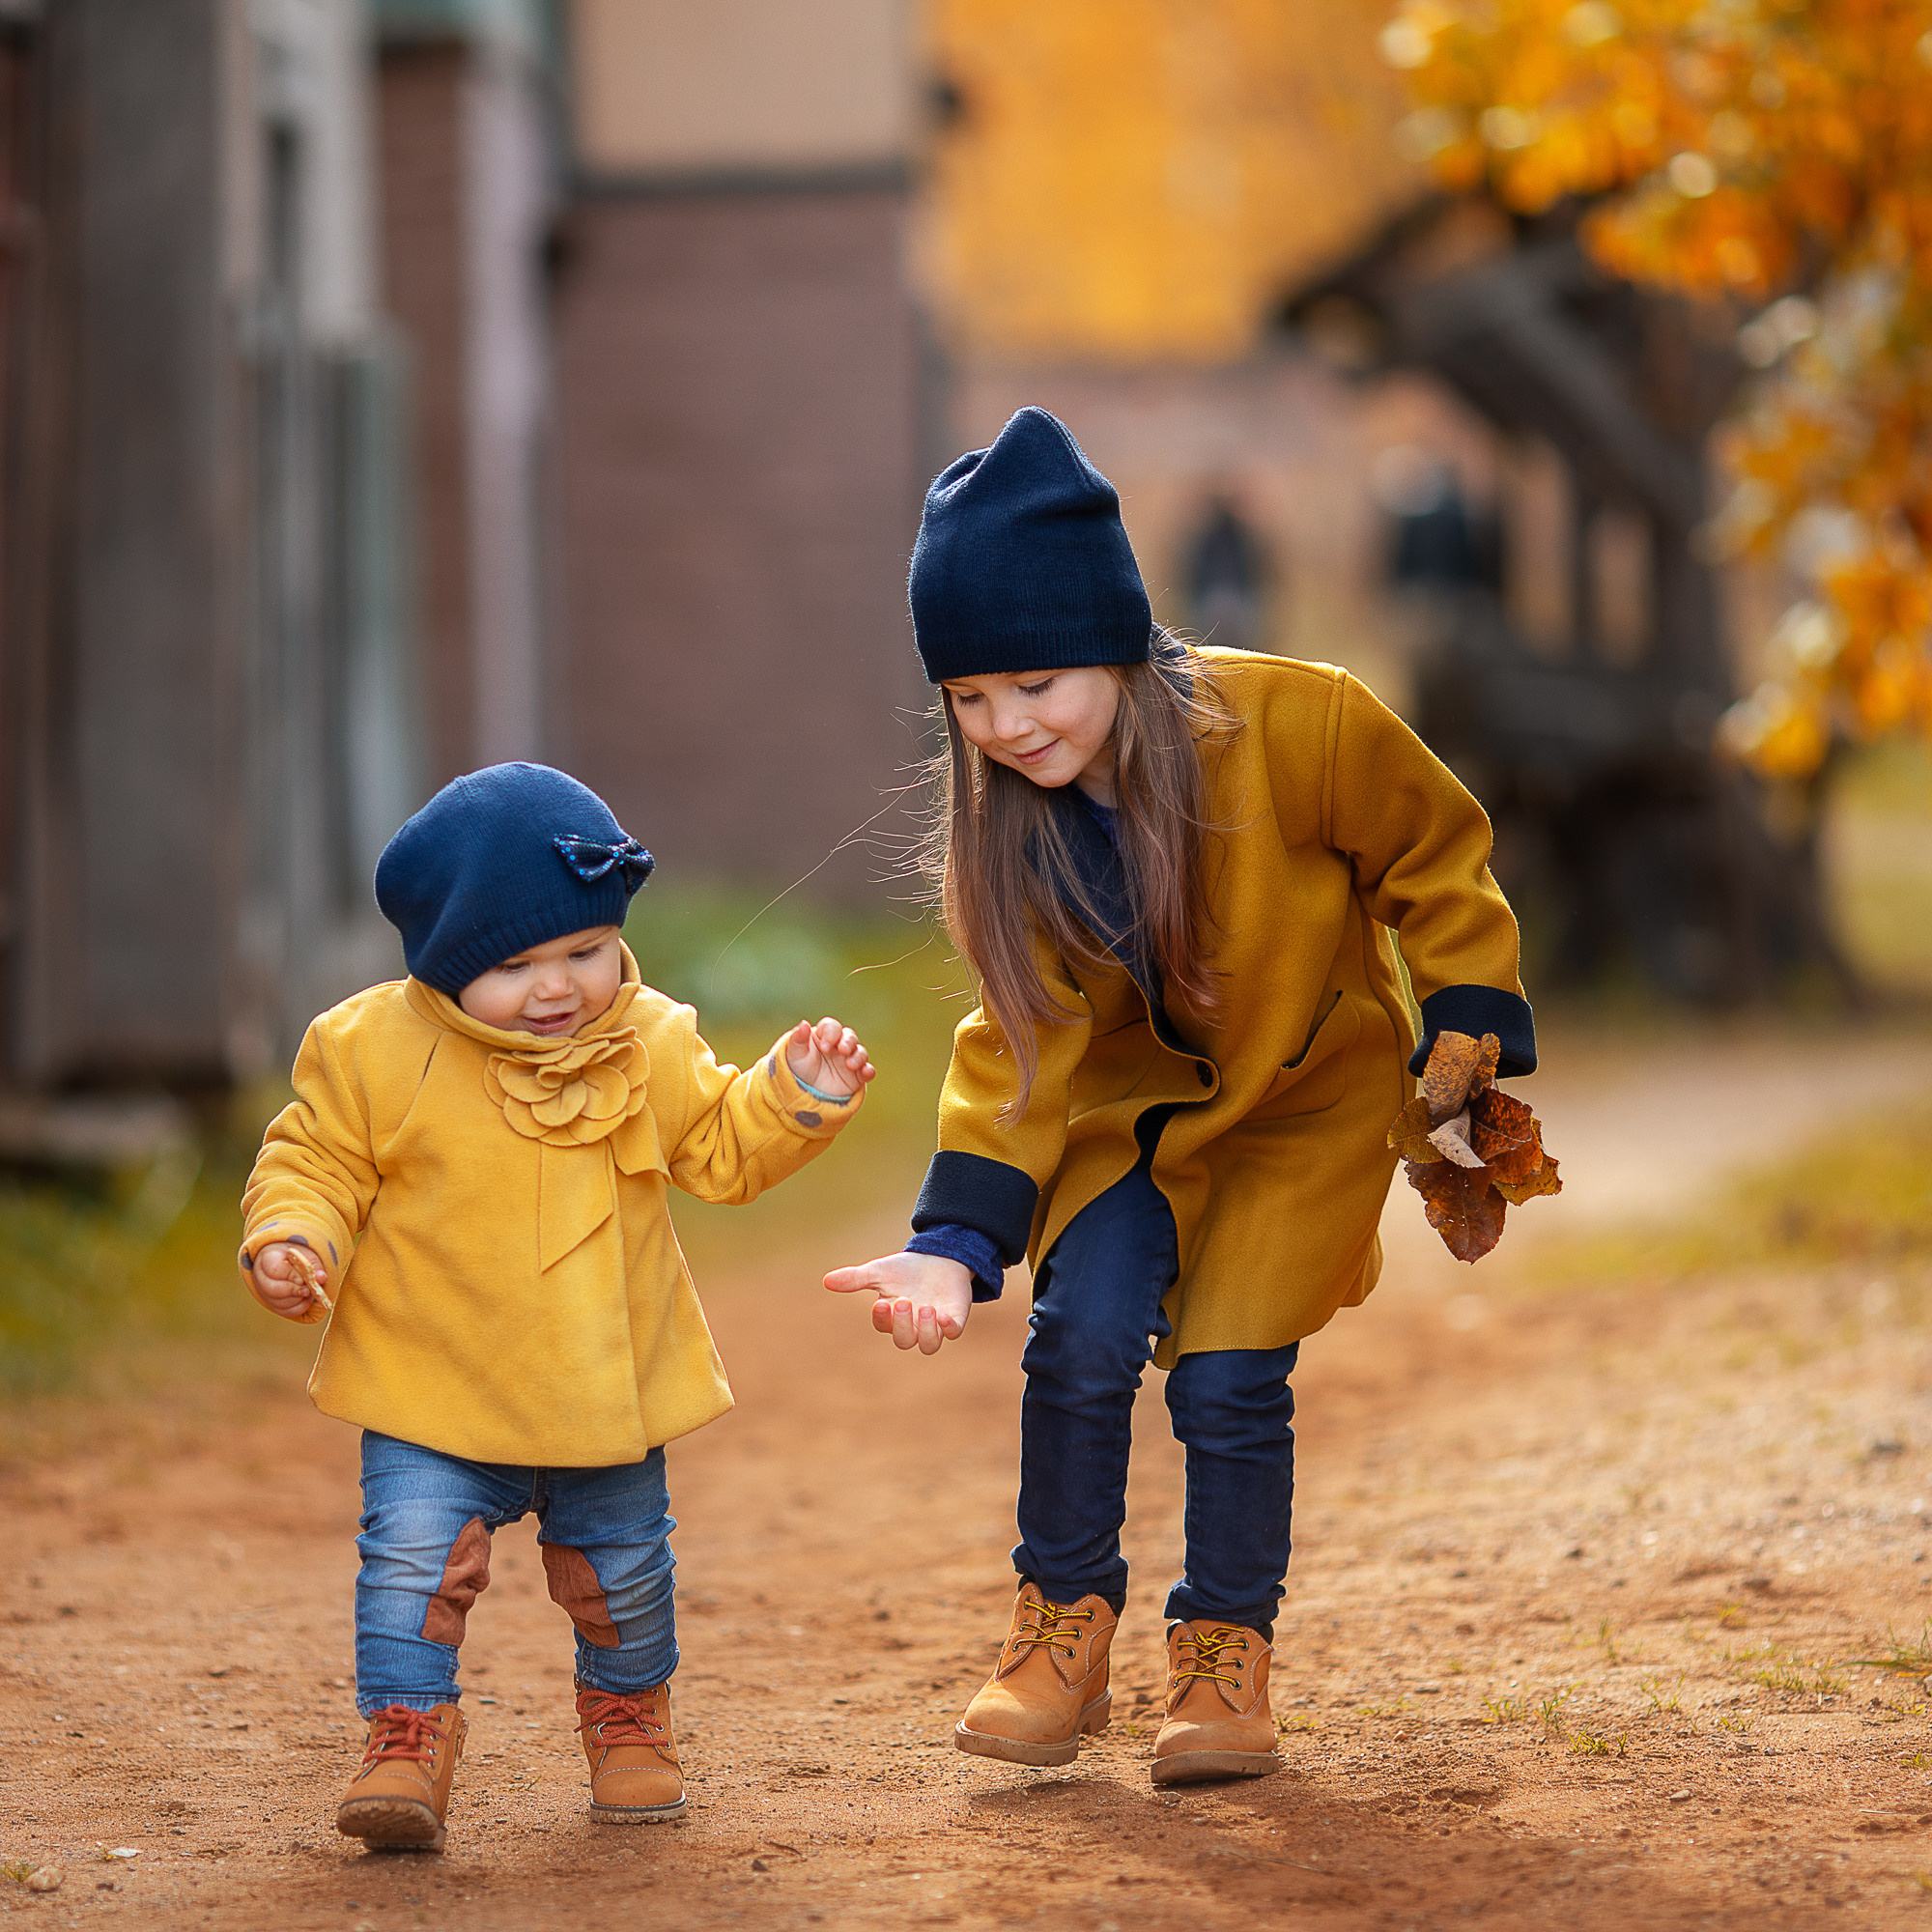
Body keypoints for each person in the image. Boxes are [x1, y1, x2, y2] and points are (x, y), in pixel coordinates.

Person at [825, 408, 1532, 1786]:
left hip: (1300, 1111)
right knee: (1078, 1342)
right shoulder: (1014, 829)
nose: (1006, 725)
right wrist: (958, 1240)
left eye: (1034, 683)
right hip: (1133, 1126)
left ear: (1113, 643)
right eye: (969, 700)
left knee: (1227, 1378)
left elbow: (1438, 859)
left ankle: (1223, 1656)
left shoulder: (1300, 720)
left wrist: (1465, 1043)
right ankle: (1060, 1629)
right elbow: (1019, 1042)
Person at [240, 762, 874, 1848]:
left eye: (584, 950)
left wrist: (792, 1096)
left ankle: (628, 1719)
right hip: (431, 1384)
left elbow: (720, 1149)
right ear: (441, 962)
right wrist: (290, 1236)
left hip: (602, 1383)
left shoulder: (649, 1039)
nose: (557, 987)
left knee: (620, 1571)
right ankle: (405, 1731)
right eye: (515, 962)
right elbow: (315, 1161)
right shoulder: (370, 1050)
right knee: (410, 1563)